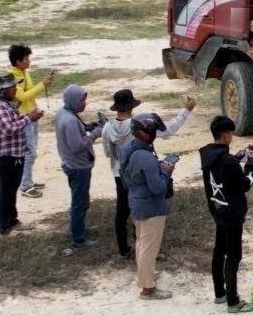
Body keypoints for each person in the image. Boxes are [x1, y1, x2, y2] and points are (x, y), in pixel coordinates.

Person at [102, 89, 194, 258]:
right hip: (142, 173)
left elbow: (108, 153)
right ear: (131, 107)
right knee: (145, 211)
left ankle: (124, 249)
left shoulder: (107, 127)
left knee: (122, 211)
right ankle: (146, 248)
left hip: (119, 174)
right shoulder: (141, 125)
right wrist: (186, 110)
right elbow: (169, 130)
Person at [200, 115, 253, 313]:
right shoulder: (228, 162)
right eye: (231, 134)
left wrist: (237, 158)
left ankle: (220, 293)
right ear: (225, 136)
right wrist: (250, 164)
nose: (231, 137)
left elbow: (222, 168)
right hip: (232, 214)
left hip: (217, 209)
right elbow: (245, 184)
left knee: (219, 250)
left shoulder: (207, 154)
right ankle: (233, 301)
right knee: (234, 256)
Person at [119, 113, 175, 300]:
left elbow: (126, 181)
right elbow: (158, 187)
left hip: (135, 202)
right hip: (152, 208)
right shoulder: (146, 157)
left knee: (142, 244)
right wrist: (166, 171)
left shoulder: (127, 150)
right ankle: (147, 288)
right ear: (147, 134)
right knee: (149, 248)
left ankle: (146, 277)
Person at [0, 75, 45, 235]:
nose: (15, 90)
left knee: (11, 190)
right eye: (12, 87)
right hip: (5, 155)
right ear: (4, 90)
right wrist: (29, 118)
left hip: (14, 154)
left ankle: (12, 220)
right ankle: (4, 226)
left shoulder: (7, 104)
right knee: (6, 191)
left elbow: (14, 122)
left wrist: (28, 116)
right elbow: (9, 128)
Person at [55, 84, 105, 248]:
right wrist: (95, 134)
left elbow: (75, 133)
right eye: (82, 100)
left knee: (81, 199)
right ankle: (79, 238)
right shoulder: (69, 120)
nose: (85, 103)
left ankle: (81, 227)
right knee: (79, 202)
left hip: (71, 164)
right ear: (74, 100)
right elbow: (77, 146)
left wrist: (87, 127)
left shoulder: (65, 113)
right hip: (78, 166)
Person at [8, 44, 55, 199]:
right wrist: (42, 85)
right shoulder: (13, 76)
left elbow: (30, 91)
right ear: (18, 61)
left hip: (32, 114)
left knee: (31, 151)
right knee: (29, 152)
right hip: (24, 117)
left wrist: (42, 84)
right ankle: (25, 185)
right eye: (26, 59)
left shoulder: (24, 72)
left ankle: (27, 180)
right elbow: (21, 97)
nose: (29, 61)